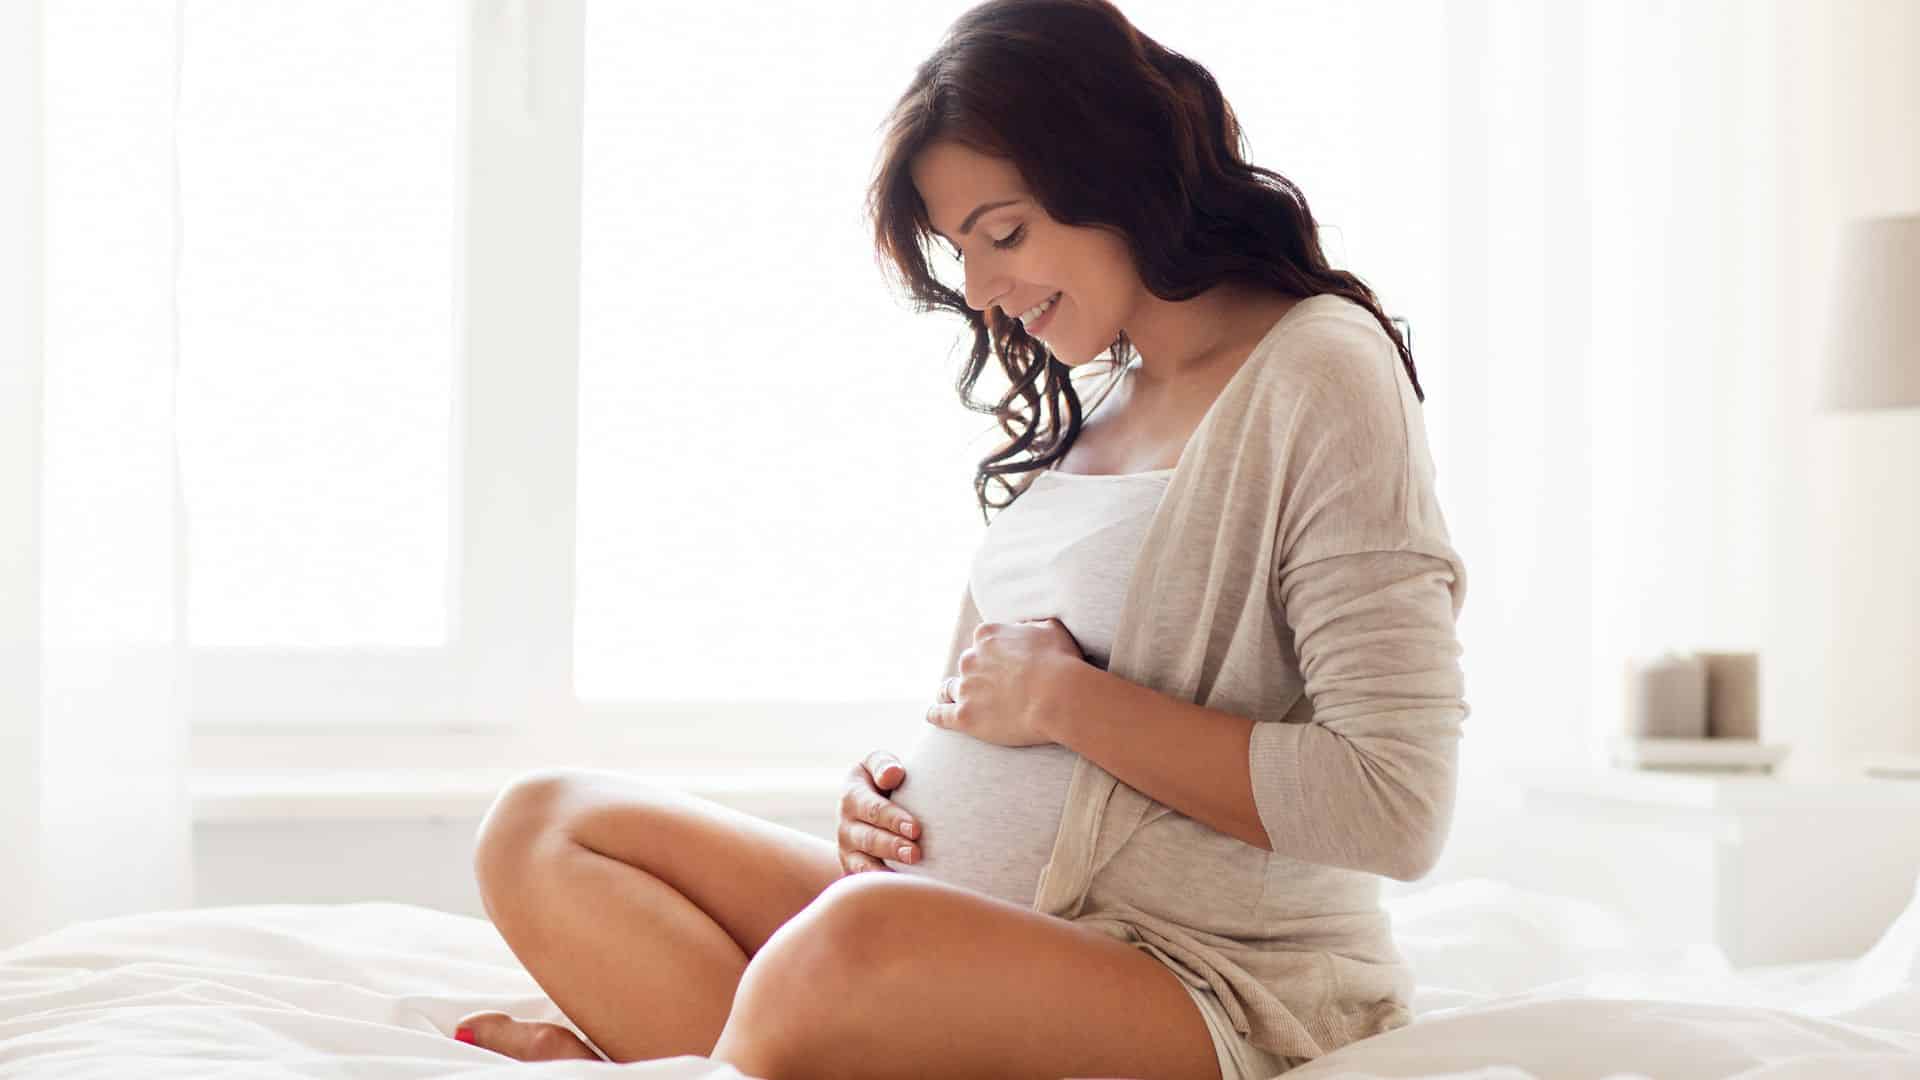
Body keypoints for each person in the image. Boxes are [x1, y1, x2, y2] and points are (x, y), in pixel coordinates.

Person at [454, 1, 1466, 1077]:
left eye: (1007, 233)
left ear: (1118, 171)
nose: (981, 292)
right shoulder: (1106, 396)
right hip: (947, 931)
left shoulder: (1319, 372)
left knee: (845, 947)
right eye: (960, 249)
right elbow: (985, 709)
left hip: (1202, 975)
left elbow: (1395, 804)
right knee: (544, 825)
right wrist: (890, 803)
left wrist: (1068, 704)